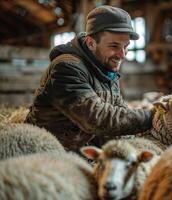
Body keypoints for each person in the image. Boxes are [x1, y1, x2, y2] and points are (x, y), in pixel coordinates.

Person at [25, 5, 153, 152]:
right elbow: (97, 118)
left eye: (126, 46)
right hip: (48, 151)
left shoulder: (106, 70)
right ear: (91, 43)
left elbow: (119, 111)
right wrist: (150, 117)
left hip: (83, 149)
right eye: (114, 46)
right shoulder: (66, 68)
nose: (122, 54)